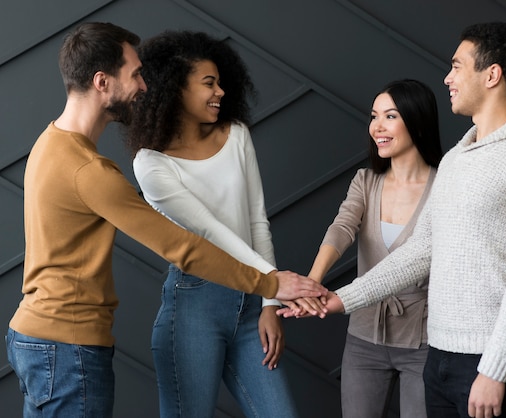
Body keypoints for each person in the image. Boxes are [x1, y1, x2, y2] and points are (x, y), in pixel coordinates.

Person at [5, 22, 326, 418]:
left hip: (40, 339)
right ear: (102, 81)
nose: (144, 86)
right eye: (135, 74)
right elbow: (183, 246)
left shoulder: (49, 142)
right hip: (67, 347)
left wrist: (265, 300)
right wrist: (272, 283)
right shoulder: (90, 171)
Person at [282, 22, 506, 418]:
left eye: (457, 66)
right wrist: (341, 299)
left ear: (492, 74)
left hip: (496, 363)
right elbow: (422, 250)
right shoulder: (456, 158)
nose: (447, 78)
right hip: (440, 356)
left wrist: (494, 370)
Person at [124, 30, 299, 417]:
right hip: (193, 310)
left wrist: (270, 302)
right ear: (175, 89)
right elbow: (209, 231)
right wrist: (274, 279)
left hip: (252, 307)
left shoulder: (236, 135)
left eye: (221, 82)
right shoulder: (151, 163)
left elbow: (256, 223)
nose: (220, 91)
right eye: (208, 83)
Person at [295, 79, 442, 417]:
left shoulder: (445, 185)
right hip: (363, 338)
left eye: (390, 116)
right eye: (374, 116)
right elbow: (342, 228)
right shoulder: (366, 180)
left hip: (423, 340)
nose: (377, 126)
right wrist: (312, 283)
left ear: (417, 120)